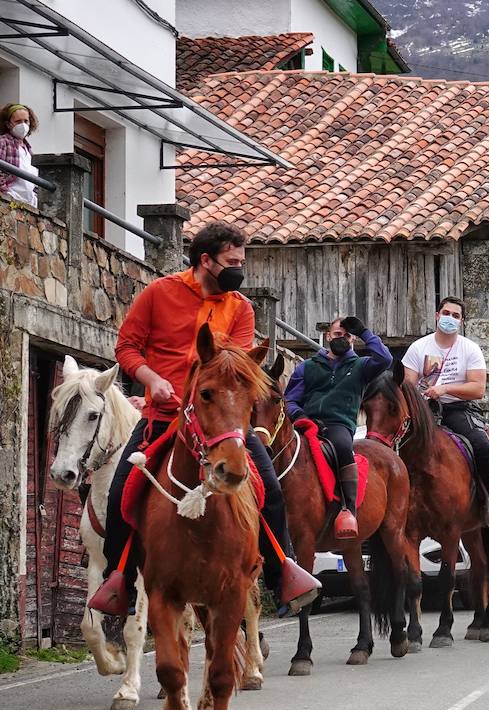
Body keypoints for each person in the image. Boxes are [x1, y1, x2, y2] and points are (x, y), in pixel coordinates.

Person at [89, 221, 321, 617]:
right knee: (118, 496)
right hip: (163, 417)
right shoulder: (159, 293)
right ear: (206, 260)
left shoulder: (241, 309)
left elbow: (238, 366)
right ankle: (119, 580)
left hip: (218, 422)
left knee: (272, 491)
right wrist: (152, 379)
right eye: (232, 262)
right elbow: (127, 347)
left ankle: (282, 573)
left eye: (241, 261)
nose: (238, 269)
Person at [402, 297, 489, 527]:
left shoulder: (470, 349)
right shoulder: (418, 348)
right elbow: (407, 385)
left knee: (481, 443)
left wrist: (446, 388)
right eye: (446, 313)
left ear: (461, 321)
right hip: (423, 410)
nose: (450, 318)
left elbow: (478, 389)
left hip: (456, 408)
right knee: (393, 441)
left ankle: (488, 497)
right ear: (437, 315)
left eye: (456, 316)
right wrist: (422, 396)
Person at [285, 316, 393, 537]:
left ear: (352, 340)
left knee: (343, 448)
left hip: (338, 425)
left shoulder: (362, 366)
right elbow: (289, 400)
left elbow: (385, 359)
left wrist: (364, 332)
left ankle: (348, 509)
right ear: (327, 336)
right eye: (337, 334)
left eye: (346, 336)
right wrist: (299, 414)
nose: (341, 338)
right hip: (305, 422)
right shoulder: (306, 367)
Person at [0, 103, 37, 206]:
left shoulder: (28, 149)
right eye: (18, 121)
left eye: (26, 121)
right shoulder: (3, 142)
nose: (23, 125)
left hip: (29, 203)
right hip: (11, 197)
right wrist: (6, 193)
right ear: (8, 124)